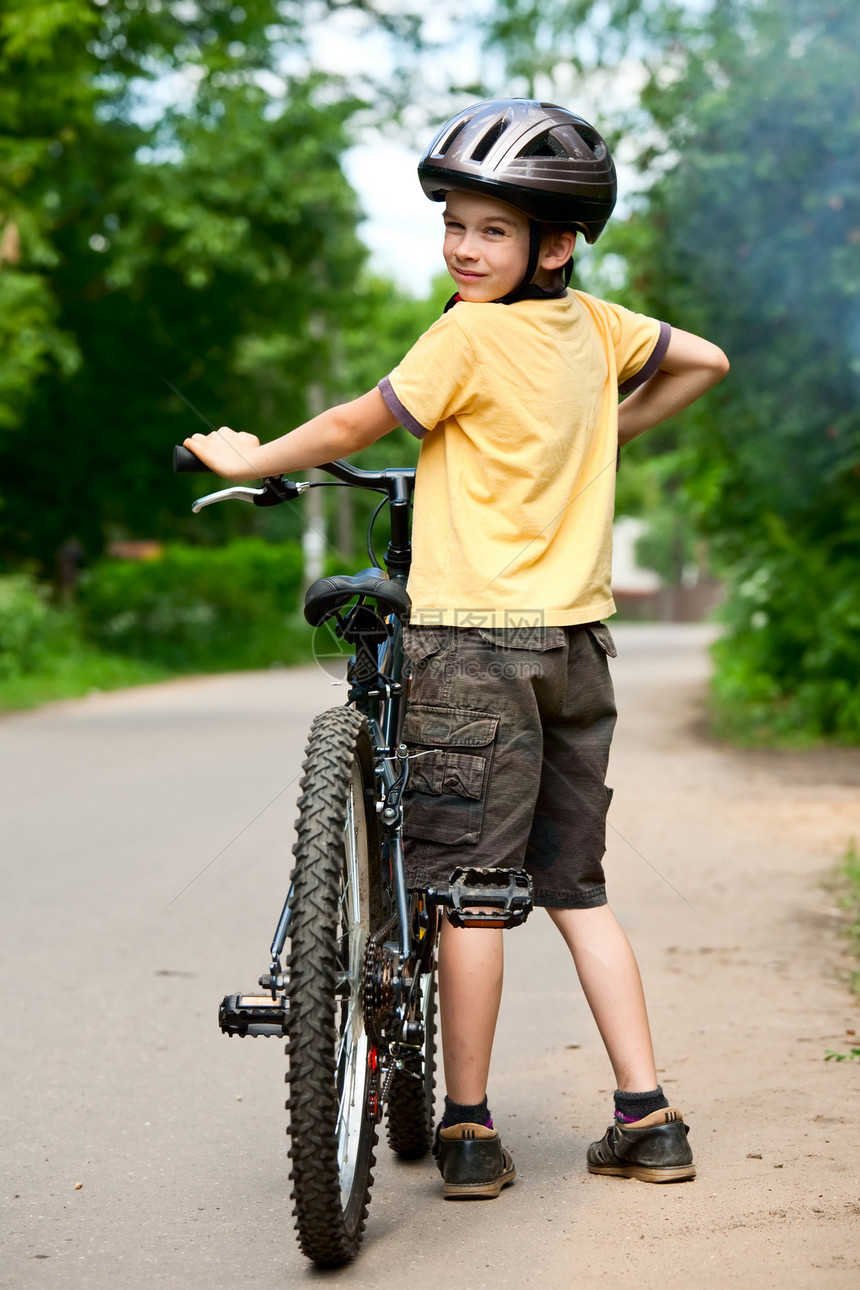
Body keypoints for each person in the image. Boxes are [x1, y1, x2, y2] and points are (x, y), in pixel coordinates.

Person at [185, 98, 729, 1199]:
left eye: (492, 230)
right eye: (455, 226)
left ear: (555, 243)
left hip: (472, 648)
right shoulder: (599, 329)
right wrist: (601, 434)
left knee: (472, 893)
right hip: (576, 648)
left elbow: (351, 428)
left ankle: (470, 1130)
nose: (464, 249)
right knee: (576, 890)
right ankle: (646, 1115)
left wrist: (248, 459)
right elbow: (705, 361)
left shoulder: (465, 335)